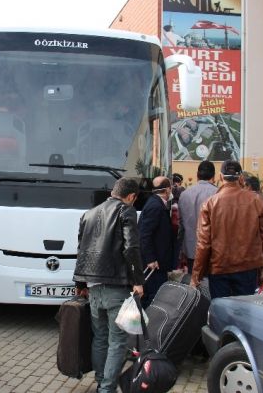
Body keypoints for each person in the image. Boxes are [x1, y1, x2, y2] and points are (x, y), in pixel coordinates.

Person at [73, 177, 145, 393]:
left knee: (101, 337)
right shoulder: (126, 210)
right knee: (118, 340)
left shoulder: (88, 214)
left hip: (93, 285)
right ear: (131, 196)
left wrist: (80, 282)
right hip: (117, 284)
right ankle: (106, 388)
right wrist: (138, 281)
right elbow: (131, 248)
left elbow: (81, 250)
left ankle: (100, 380)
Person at [190, 160, 263, 299]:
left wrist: (196, 274)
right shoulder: (256, 200)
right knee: (244, 312)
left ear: (221, 177)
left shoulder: (210, 203)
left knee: (222, 311)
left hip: (219, 268)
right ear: (241, 178)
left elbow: (203, 243)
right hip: (248, 267)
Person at [177, 161, 218, 273]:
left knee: (194, 284)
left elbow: (180, 224)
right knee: (211, 286)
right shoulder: (218, 194)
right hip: (213, 250)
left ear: (197, 175)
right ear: (213, 176)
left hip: (191, 249)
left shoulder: (184, 194)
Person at [139, 176, 173, 307]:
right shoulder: (155, 206)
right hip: (154, 265)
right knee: (153, 298)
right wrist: (150, 259)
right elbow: (145, 235)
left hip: (156, 263)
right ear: (167, 189)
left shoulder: (154, 203)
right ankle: (150, 326)